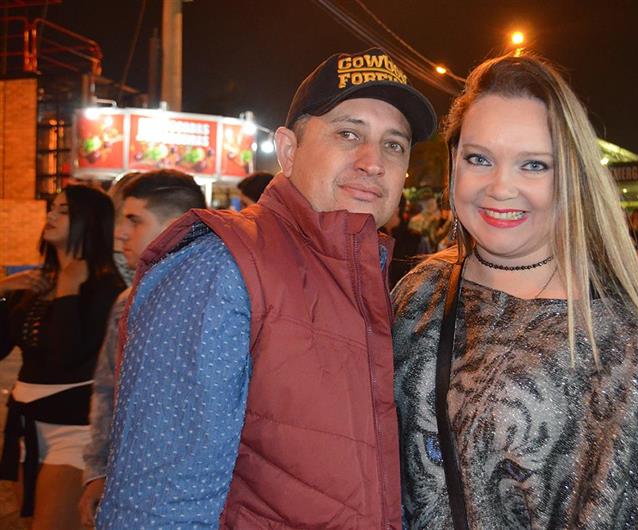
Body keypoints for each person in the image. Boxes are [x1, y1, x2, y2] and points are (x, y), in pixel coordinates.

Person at [96, 47, 436, 528]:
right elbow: (158, 507)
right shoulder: (221, 267)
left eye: (394, 145)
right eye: (348, 134)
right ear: (288, 151)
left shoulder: (364, 279)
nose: (373, 162)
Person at [392, 52, 638, 529]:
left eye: (533, 165)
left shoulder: (618, 340)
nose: (500, 187)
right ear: (454, 162)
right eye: (479, 158)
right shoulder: (418, 293)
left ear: (570, 177)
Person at [78, 170, 206, 527]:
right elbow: (107, 389)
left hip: (199, 494)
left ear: (176, 225)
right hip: (132, 486)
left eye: (134, 220)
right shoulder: (127, 302)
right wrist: (97, 470)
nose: (120, 233)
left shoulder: (223, 295)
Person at [0, 185, 125, 529]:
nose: (51, 216)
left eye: (64, 211)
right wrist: (4, 289)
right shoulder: (36, 283)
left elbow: (65, 356)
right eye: (52, 208)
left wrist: (69, 290)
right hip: (26, 424)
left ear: (91, 221)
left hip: (74, 430)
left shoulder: (107, 290)